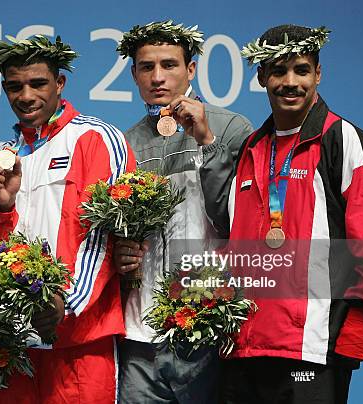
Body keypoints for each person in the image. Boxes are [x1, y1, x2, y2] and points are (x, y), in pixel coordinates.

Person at [201, 24, 363, 403]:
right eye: (278, 71)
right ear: (262, 75)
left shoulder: (342, 139)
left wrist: (351, 339)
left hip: (310, 355)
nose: (290, 82)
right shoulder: (251, 149)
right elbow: (235, 245)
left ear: (318, 73)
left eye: (301, 70)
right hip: (243, 351)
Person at [0, 34, 135, 403]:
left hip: (79, 337)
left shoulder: (95, 138)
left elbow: (104, 234)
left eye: (37, 83)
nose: (26, 96)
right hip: (13, 340)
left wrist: (67, 301)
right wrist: (1, 206)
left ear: (60, 84)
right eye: (14, 86)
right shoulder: (7, 154)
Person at [112, 20, 253, 403]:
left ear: (191, 69)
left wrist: (206, 141)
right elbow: (114, 232)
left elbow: (240, 223)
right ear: (134, 74)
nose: (158, 77)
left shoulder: (230, 129)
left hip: (206, 332)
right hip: (140, 337)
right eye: (147, 67)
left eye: (169, 65)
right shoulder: (125, 143)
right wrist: (119, 251)